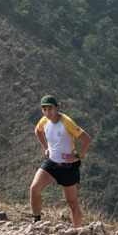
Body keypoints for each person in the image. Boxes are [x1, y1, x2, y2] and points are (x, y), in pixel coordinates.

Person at [30, 94, 90, 227]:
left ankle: (78, 232)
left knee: (72, 203)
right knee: (34, 189)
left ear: (57, 107)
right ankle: (36, 221)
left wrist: (77, 156)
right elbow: (37, 131)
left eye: (50, 108)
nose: (47, 112)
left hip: (67, 168)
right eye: (44, 109)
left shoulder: (67, 122)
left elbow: (87, 140)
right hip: (51, 164)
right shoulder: (44, 121)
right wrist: (45, 147)